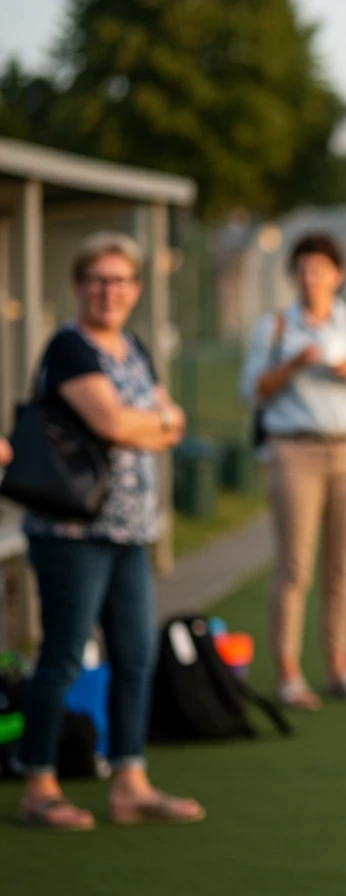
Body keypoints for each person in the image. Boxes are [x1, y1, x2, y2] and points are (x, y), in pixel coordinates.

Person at [16, 232, 204, 831]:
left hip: (130, 529)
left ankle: (129, 781)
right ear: (78, 286)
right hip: (73, 531)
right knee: (63, 657)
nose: (109, 291)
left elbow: (166, 423)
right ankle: (38, 782)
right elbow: (115, 424)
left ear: (137, 289)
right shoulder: (69, 348)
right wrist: (151, 423)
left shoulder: (131, 346)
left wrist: (147, 424)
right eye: (98, 279)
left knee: (137, 655)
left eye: (121, 280)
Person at [239, 232, 346, 711]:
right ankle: (288, 672)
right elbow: (253, 391)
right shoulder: (276, 326)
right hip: (293, 452)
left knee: (343, 568)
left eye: (320, 268)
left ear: (337, 275)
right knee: (294, 567)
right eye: (303, 269)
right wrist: (292, 364)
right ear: (293, 275)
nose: (311, 278)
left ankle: (338, 667)